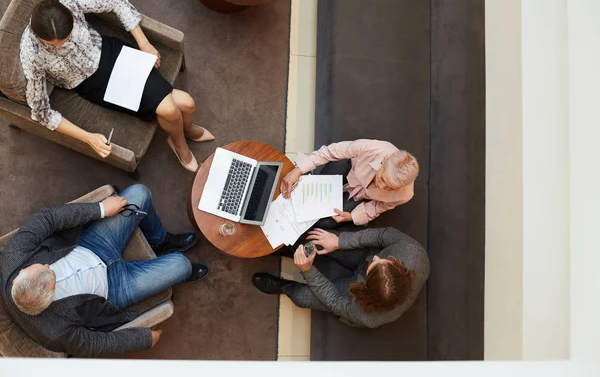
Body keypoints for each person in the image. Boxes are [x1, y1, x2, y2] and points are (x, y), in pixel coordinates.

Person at [0, 184, 209, 357]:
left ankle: (160, 241)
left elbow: (47, 218)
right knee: (181, 265)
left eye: (41, 265)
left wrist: (101, 209)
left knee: (140, 193)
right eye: (49, 272)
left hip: (91, 245)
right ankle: (180, 268)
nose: (46, 265)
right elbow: (93, 344)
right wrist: (143, 339)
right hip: (114, 288)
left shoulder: (12, 259)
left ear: (20, 275)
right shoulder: (52, 332)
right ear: (51, 292)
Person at [20, 0, 214, 172]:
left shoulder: (68, 4)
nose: (62, 46)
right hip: (93, 84)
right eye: (53, 45)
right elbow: (41, 112)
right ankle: (180, 144)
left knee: (187, 103)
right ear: (39, 37)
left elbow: (115, 1)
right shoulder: (31, 53)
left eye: (66, 38)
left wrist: (144, 43)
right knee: (172, 109)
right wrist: (88, 138)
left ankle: (184, 131)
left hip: (111, 53)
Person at [252, 227, 429, 329]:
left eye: (373, 265)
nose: (375, 259)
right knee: (315, 238)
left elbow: (335, 301)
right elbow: (381, 235)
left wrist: (308, 270)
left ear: (366, 288)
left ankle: (284, 286)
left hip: (356, 294)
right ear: (397, 266)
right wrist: (340, 241)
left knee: (300, 297)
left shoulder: (366, 315)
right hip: (363, 254)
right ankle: (286, 248)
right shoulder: (412, 252)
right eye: (382, 261)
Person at [280, 139, 419, 228]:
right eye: (382, 179)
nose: (381, 187)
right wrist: (298, 170)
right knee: (304, 188)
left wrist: (352, 217)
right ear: (385, 160)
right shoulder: (373, 148)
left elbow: (379, 206)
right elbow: (329, 152)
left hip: (359, 196)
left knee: (324, 222)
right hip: (348, 168)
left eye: (390, 187)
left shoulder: (405, 195)